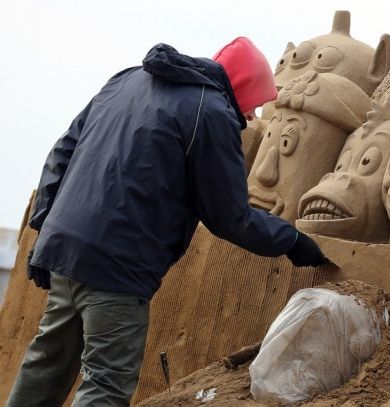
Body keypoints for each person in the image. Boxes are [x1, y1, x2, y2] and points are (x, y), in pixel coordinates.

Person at [7, 38, 327, 407]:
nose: (253, 116)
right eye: (254, 103)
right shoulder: (211, 113)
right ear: (239, 87)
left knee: (46, 364)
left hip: (65, 251)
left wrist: (46, 227)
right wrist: (290, 240)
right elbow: (228, 216)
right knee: (106, 383)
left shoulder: (127, 80)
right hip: (118, 268)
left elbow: (62, 153)